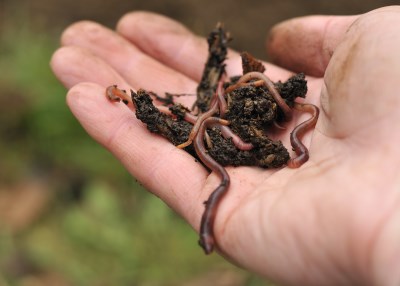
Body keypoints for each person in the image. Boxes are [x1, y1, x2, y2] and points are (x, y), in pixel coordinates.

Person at [51, 6, 400, 286]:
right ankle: (208, 225)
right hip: (219, 115)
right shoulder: (219, 117)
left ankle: (208, 224)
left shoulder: (285, 113)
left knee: (215, 151)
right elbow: (210, 121)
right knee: (213, 150)